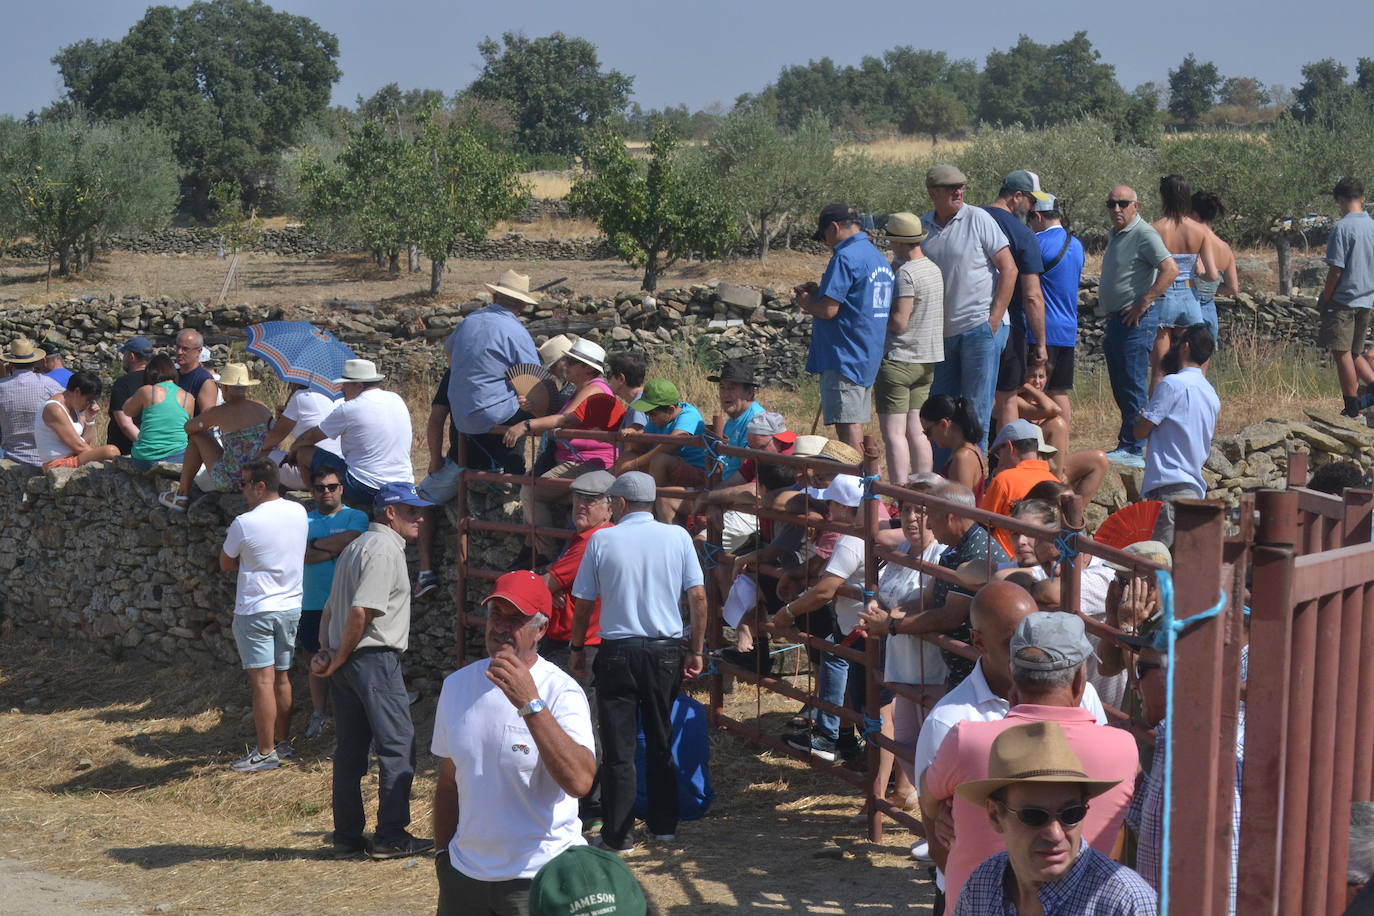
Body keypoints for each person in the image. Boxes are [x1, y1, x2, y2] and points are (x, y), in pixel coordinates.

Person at [880, 581, 1106, 907]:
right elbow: (935, 828)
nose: (1026, 652)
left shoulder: (1084, 697)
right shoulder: (950, 721)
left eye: (1030, 635)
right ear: (978, 642)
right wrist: (975, 899)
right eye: (1011, 643)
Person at [923, 612, 1139, 906]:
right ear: (1079, 682)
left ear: (1014, 677)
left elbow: (928, 794)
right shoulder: (1123, 748)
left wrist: (944, 814)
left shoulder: (965, 740)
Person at [431, 571, 597, 915]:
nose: (501, 626)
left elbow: (580, 781)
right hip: (465, 878)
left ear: (541, 629)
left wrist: (530, 704)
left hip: (537, 879)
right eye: (496, 615)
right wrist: (443, 859)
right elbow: (449, 781)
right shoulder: (457, 685)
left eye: (515, 618)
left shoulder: (561, 692)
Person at [569, 471, 708, 855]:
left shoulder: (602, 539)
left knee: (619, 747)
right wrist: (695, 648)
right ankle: (665, 825)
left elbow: (583, 602)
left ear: (621, 503)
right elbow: (697, 598)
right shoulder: (678, 537)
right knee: (661, 738)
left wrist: (578, 646)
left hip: (616, 650)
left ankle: (619, 833)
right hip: (666, 650)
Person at [311, 482, 435, 859]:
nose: (421, 517)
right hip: (372, 658)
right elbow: (361, 611)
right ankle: (391, 835)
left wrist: (329, 654)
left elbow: (332, 609)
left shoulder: (356, 546)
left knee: (350, 751)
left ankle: (347, 837)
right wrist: (340, 654)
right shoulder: (383, 550)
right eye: (411, 510)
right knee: (397, 745)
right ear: (390, 513)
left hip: (349, 660)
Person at [953, 721, 1157, 915]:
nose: (1055, 833)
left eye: (1071, 813)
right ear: (995, 815)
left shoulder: (1128, 903)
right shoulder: (982, 883)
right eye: (1034, 816)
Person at [859, 472, 951, 812]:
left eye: (920, 511)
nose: (911, 519)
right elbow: (889, 595)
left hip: (932, 667)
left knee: (934, 750)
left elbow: (934, 605)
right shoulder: (901, 550)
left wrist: (889, 619)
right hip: (902, 665)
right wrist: (876, 607)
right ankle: (927, 814)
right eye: (906, 510)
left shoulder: (943, 556)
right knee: (909, 747)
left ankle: (937, 823)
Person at [763, 474, 867, 764]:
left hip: (859, 628)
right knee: (855, 684)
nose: (828, 509)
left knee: (844, 669)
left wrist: (787, 613)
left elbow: (824, 590)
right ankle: (844, 740)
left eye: (832, 503)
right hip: (857, 626)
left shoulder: (849, 541)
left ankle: (829, 735)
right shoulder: (871, 531)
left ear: (846, 508)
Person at [920, 164, 1018, 454]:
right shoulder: (923, 226)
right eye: (951, 188)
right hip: (942, 333)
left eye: (961, 187)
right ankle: (942, 481)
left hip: (978, 327)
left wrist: (994, 320)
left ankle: (972, 481)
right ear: (933, 193)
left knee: (976, 408)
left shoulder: (980, 218)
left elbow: (1009, 269)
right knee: (940, 410)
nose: (959, 192)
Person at [220, 458, 307, 772]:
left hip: (256, 608)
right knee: (282, 678)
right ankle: (283, 744)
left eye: (244, 483)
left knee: (262, 683)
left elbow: (226, 562)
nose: (240, 489)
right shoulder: (298, 511)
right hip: (290, 606)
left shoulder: (245, 522)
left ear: (259, 486)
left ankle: (265, 751)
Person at [505, 339, 624, 564]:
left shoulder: (594, 390)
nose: (565, 365)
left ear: (588, 368)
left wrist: (527, 425)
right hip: (579, 464)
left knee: (530, 492)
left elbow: (564, 420)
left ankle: (545, 555)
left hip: (588, 465)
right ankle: (541, 551)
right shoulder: (582, 390)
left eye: (571, 361)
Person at [795, 202, 895, 452]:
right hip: (865, 352)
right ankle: (863, 482)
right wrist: (822, 293)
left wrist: (806, 302)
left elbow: (829, 310)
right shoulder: (876, 256)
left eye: (825, 236)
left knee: (847, 430)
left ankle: (859, 484)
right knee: (854, 423)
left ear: (834, 227)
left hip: (844, 355)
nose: (827, 243)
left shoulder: (844, 258)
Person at [1100, 185, 1180, 468]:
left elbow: (1170, 269)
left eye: (1123, 203)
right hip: (1116, 320)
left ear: (1136, 205)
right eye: (1111, 204)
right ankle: (1129, 441)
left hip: (1134, 320)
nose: (1116, 209)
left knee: (1132, 383)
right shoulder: (1117, 234)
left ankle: (1135, 447)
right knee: (1121, 383)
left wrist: (1144, 302)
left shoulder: (1144, 233)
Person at [443, 269, 541, 473]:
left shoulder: (469, 321)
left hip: (460, 412)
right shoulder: (517, 332)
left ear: (494, 297)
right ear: (522, 306)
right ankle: (515, 473)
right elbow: (534, 380)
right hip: (495, 414)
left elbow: (449, 352)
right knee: (534, 410)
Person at [298, 466, 369, 741]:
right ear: (312, 491)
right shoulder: (304, 520)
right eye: (319, 488)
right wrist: (332, 547)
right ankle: (320, 713)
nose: (326, 492)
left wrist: (316, 546)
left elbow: (351, 540)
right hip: (313, 602)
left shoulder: (356, 516)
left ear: (341, 488)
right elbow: (302, 555)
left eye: (331, 486)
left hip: (348, 602)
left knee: (355, 656)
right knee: (316, 657)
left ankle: (357, 714)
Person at [1135, 324, 1220, 547]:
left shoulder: (1172, 384)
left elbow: (1141, 431)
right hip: (1194, 492)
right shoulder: (1211, 394)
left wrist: (1141, 418)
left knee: (1157, 569)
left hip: (1169, 489)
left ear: (1185, 347)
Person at [289, 359, 414, 510]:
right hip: (404, 483)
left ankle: (320, 505)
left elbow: (310, 437)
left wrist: (293, 449)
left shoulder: (350, 408)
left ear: (359, 385)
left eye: (345, 384)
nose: (342, 388)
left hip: (365, 487)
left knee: (303, 453)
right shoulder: (396, 399)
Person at [878, 212, 944, 482]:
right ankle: (924, 485)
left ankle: (900, 490)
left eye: (893, 242)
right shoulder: (933, 268)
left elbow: (899, 322)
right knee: (917, 430)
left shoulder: (906, 274)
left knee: (894, 433)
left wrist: (877, 318)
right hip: (926, 360)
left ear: (902, 243)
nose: (891, 247)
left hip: (899, 359)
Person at [984, 171, 1049, 438]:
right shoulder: (1022, 234)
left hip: (965, 322)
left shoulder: (972, 219)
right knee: (1007, 398)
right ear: (1017, 197)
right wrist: (1041, 343)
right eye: (1032, 201)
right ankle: (1003, 465)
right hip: (1008, 327)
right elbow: (1032, 295)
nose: (1034, 208)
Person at [158, 364, 272, 511]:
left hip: (234, 480)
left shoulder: (221, 411)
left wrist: (207, 418)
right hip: (261, 476)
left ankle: (182, 494)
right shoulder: (263, 407)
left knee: (197, 436)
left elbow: (188, 427)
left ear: (225, 388)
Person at [998, 363, 1109, 504]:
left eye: (1041, 376)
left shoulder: (1042, 402)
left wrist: (1061, 470)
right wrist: (1026, 386)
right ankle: (1054, 491)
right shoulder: (1015, 402)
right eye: (1032, 376)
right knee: (1057, 424)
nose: (1037, 381)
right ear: (1023, 378)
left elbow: (1063, 450)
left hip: (1049, 466)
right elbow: (1055, 409)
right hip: (1026, 466)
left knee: (1100, 460)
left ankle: (1071, 517)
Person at [1149, 174, 1219, 390]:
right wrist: (1196, 273)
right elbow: (1213, 275)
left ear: (1164, 197)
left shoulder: (1154, 229)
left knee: (1159, 371)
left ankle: (1155, 420)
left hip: (1162, 298)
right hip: (1190, 298)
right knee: (1192, 370)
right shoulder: (1199, 231)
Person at [1026, 195, 1085, 431]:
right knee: (1058, 389)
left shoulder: (1036, 244)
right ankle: (1061, 444)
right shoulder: (1077, 244)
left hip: (1039, 329)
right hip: (1067, 328)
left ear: (1037, 216)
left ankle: (1032, 445)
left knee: (1031, 388)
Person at [1319, 178, 1374, 418]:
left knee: (1341, 354)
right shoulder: (1372, 226)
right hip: (1367, 300)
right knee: (1356, 352)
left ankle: (1352, 408)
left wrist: (1325, 297)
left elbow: (1336, 270)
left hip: (1344, 300)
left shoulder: (1342, 228)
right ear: (1362, 198)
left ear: (1340, 200)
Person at [618, 379, 708, 522]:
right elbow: (642, 445)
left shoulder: (688, 415)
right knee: (627, 456)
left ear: (671, 409)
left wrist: (635, 463)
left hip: (697, 473)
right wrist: (633, 436)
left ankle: (648, 512)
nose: (649, 417)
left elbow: (670, 445)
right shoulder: (660, 419)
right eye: (647, 413)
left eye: (652, 413)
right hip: (673, 470)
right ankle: (619, 514)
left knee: (660, 460)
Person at [980, 419, 1059, 556]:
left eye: (999, 453)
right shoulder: (1055, 482)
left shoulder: (1004, 480)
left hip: (1006, 560)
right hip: (1043, 562)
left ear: (1010, 447)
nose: (999, 459)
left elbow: (983, 526)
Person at [259, 383, 342, 491]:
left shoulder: (301, 396)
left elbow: (276, 436)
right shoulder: (339, 397)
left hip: (310, 472)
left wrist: (261, 449)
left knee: (261, 458)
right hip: (338, 468)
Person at [34, 371, 121, 469]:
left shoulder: (75, 408)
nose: (89, 404)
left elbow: (85, 443)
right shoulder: (54, 409)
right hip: (58, 463)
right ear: (77, 392)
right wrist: (98, 454)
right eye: (89, 399)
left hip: (75, 457)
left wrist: (90, 420)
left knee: (110, 452)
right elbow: (79, 447)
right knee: (111, 451)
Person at [121, 355, 194, 470]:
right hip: (178, 458)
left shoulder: (147, 391)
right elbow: (188, 428)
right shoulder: (188, 398)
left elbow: (127, 410)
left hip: (146, 459)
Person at [0, 338, 64, 466]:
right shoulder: (50, 385)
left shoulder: (2, 388)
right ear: (34, 363)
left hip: (11, 457)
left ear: (11, 364)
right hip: (45, 458)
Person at [1191, 191, 1240, 347]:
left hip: (1189, 311)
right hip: (1209, 313)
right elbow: (1233, 288)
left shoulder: (1190, 243)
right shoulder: (1224, 248)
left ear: (1195, 215)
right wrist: (1210, 289)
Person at [920, 395, 987, 500]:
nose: (929, 438)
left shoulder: (963, 458)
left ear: (943, 424)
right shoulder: (967, 450)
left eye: (928, 432)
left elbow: (959, 508)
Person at [107, 336, 155, 455]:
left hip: (127, 452)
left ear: (131, 356)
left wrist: (145, 447)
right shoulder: (160, 381)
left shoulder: (122, 384)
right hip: (158, 446)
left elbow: (125, 424)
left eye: (124, 354)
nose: (123, 359)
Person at [174, 328, 219, 416]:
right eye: (178, 347)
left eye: (185, 349)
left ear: (199, 351)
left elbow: (207, 419)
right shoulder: (172, 375)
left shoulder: (205, 381)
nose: (179, 352)